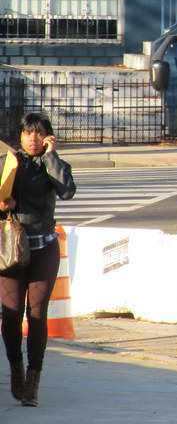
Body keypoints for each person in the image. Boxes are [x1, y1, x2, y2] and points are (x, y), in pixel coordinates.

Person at [0, 114, 76, 407]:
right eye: (28, 133)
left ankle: (33, 379)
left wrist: (52, 155)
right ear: (20, 137)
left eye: (39, 133)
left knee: (37, 313)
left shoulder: (51, 163)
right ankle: (16, 368)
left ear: (47, 136)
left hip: (44, 246)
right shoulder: (10, 165)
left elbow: (67, 190)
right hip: (12, 249)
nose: (33, 138)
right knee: (10, 314)